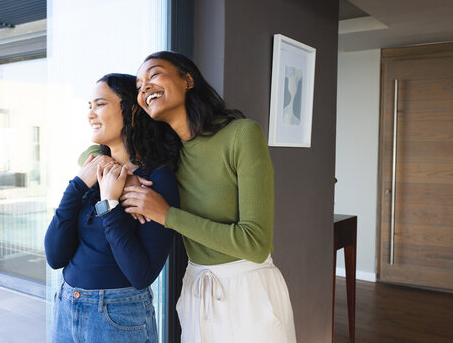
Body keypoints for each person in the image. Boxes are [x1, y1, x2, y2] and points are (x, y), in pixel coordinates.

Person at [121, 52, 297, 342]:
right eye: (139, 86)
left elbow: (255, 243)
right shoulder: (166, 156)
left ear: (188, 79)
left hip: (249, 293)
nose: (145, 88)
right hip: (196, 291)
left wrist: (166, 215)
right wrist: (124, 174)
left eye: (154, 75)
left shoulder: (241, 135)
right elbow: (95, 152)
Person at [44, 73, 180, 343]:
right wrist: (77, 185)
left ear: (130, 111)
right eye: (89, 106)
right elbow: (55, 256)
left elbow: (141, 275)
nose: (91, 114)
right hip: (65, 306)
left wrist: (110, 206)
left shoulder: (156, 181)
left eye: (100, 104)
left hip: (117, 318)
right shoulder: (93, 168)